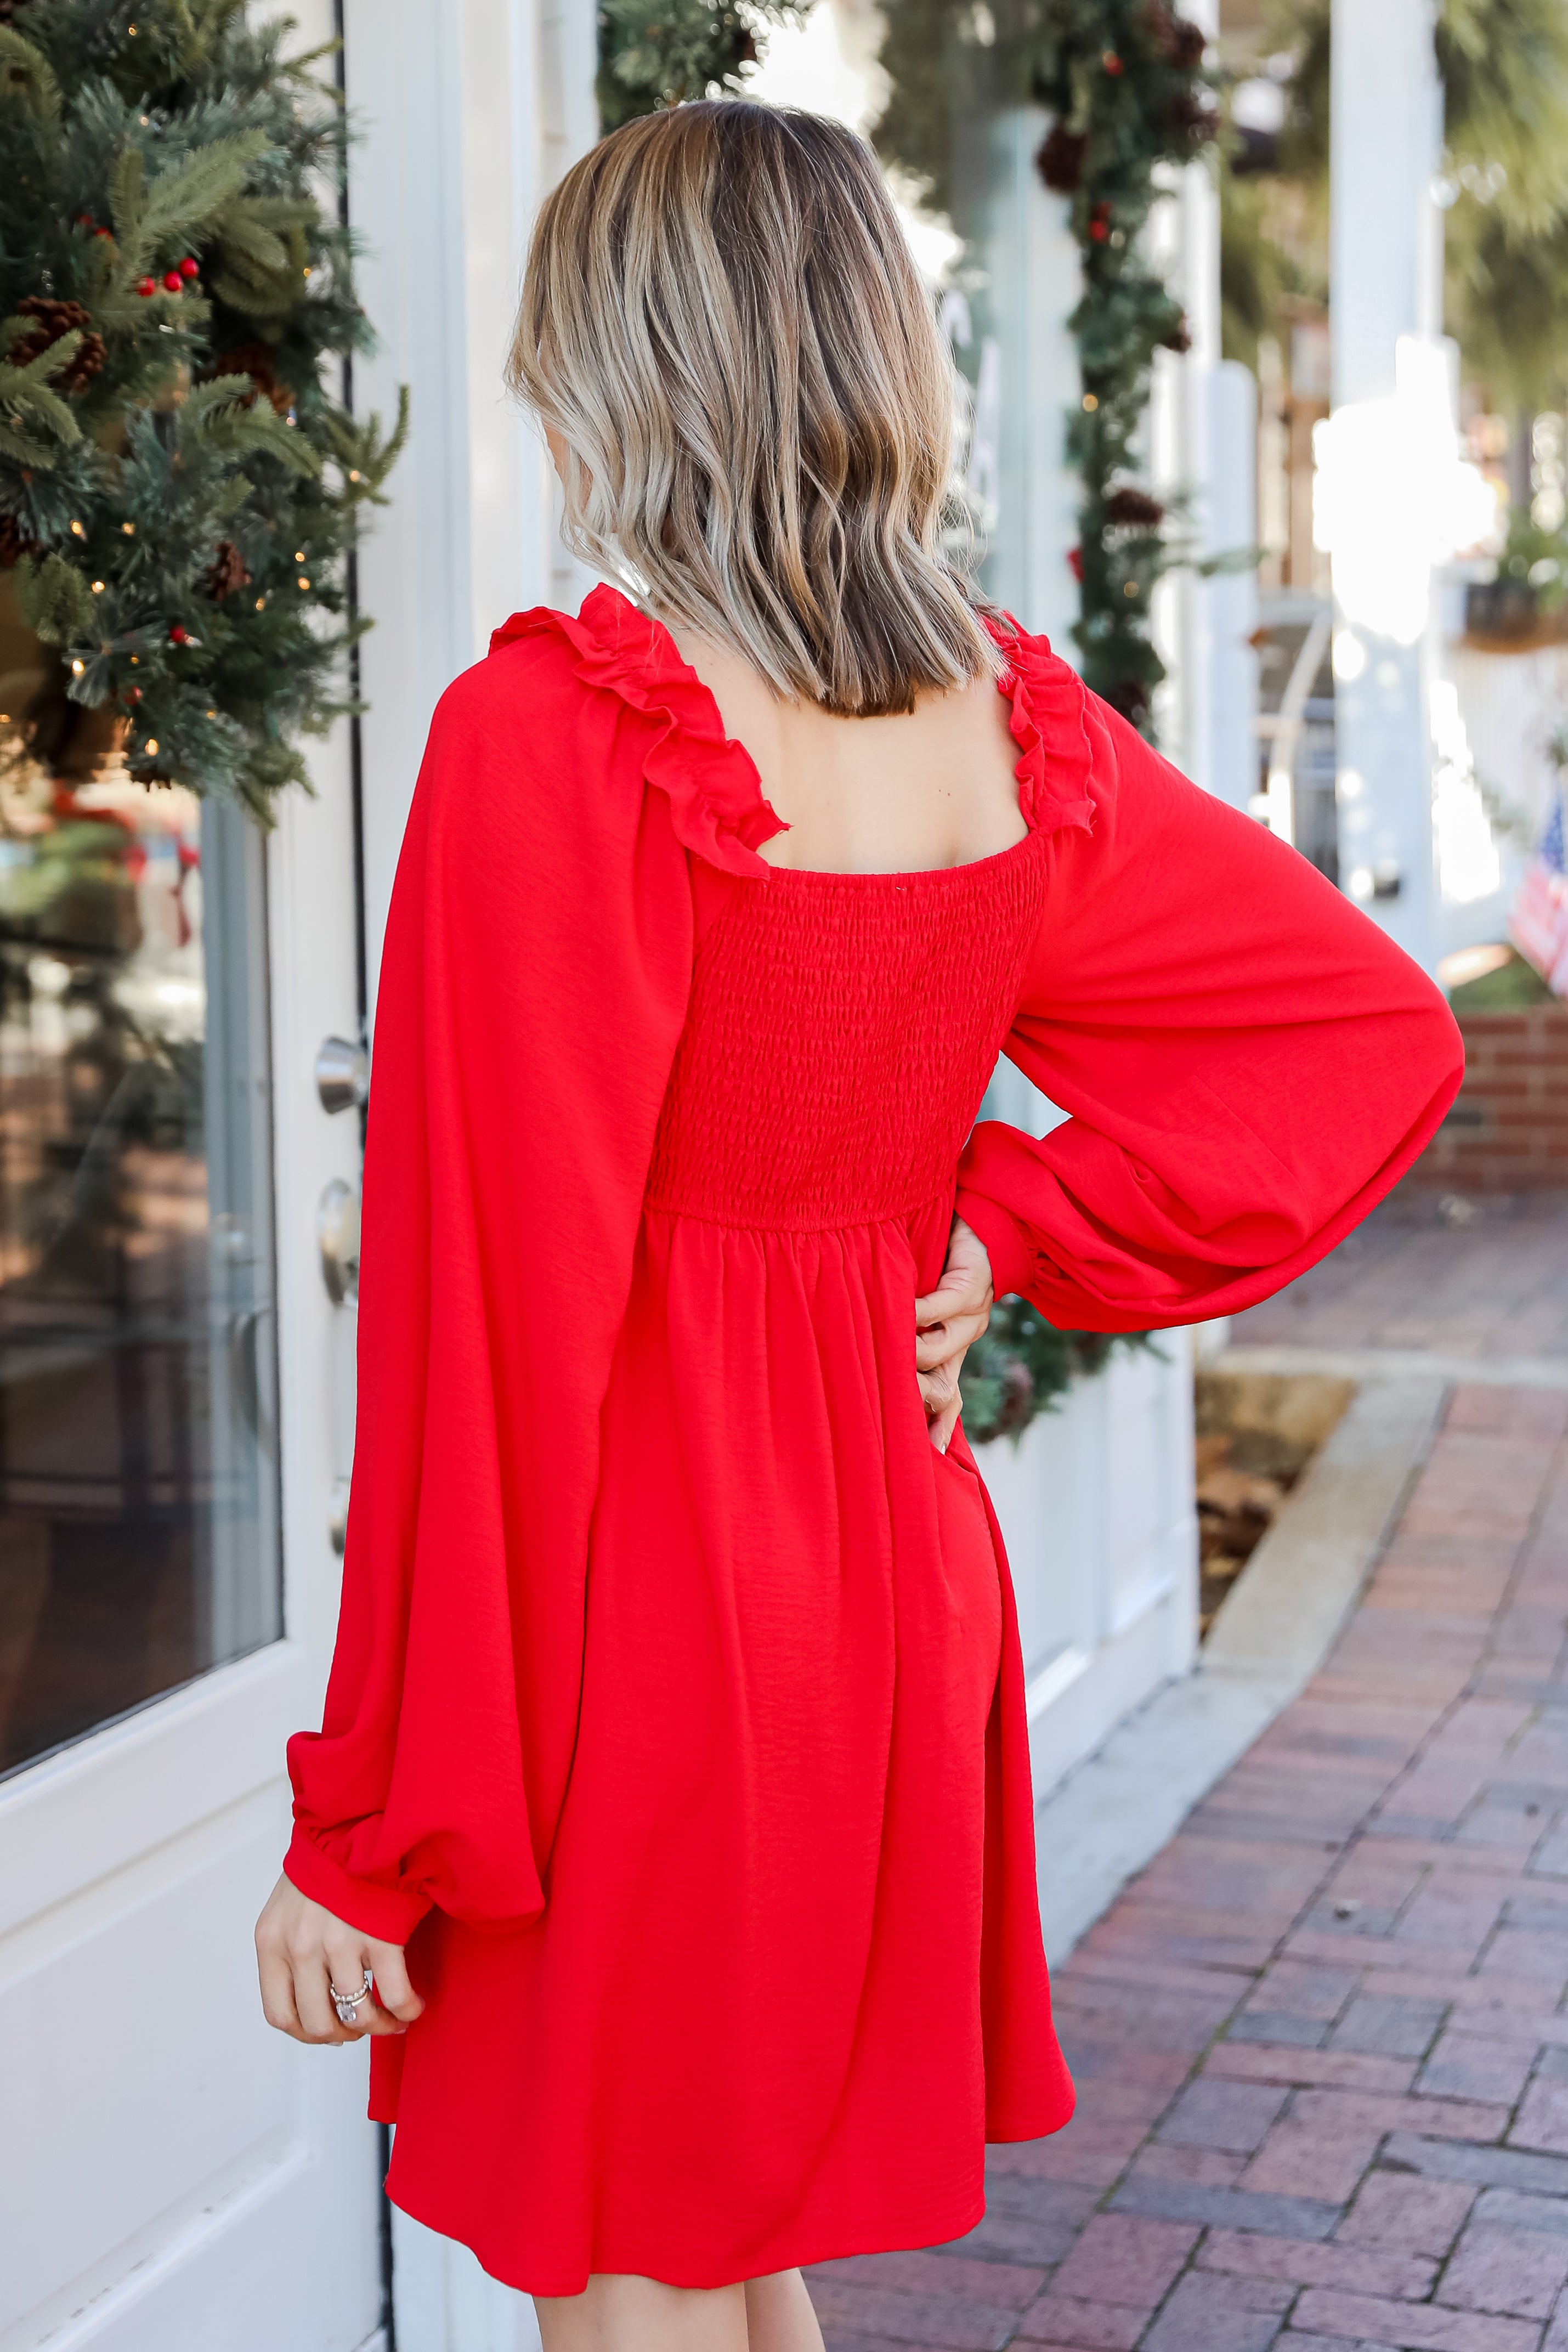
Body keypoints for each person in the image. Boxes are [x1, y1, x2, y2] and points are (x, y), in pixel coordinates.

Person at [254, 99, 1463, 2352]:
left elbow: (490, 1346)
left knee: (637, 2269)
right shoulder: (1005, 727)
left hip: (632, 1622)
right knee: (722, 2243)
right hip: (885, 1596)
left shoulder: (561, 735)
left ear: (624, 367)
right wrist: (1000, 1226)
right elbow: (1366, 1029)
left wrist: (373, 1821)